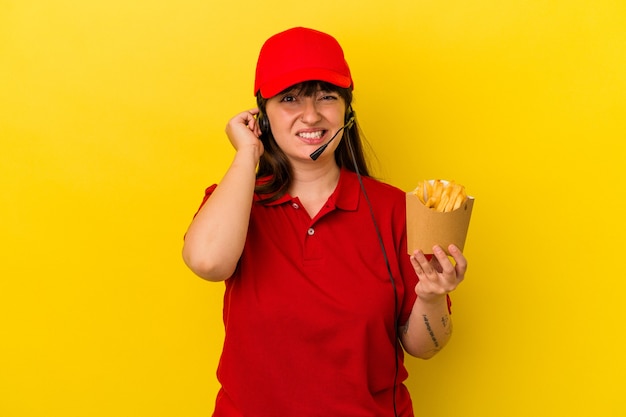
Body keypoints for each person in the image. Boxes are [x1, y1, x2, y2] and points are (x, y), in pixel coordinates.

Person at [182, 27, 467, 417]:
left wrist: (433, 296)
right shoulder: (236, 200)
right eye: (290, 99)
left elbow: (424, 346)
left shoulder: (397, 209)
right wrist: (247, 152)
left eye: (326, 97)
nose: (311, 115)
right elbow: (208, 263)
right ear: (261, 116)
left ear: (346, 110)